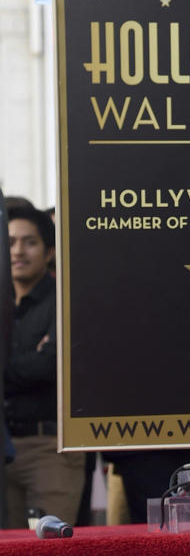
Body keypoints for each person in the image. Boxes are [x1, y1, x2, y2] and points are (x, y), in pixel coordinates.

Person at [3, 199, 86, 527]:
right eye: (9, 242)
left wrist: (11, 366)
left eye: (30, 242)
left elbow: (51, 364)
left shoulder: (66, 298)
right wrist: (28, 362)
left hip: (51, 450)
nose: (17, 251)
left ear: (50, 251)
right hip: (5, 446)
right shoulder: (3, 302)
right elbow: (35, 364)